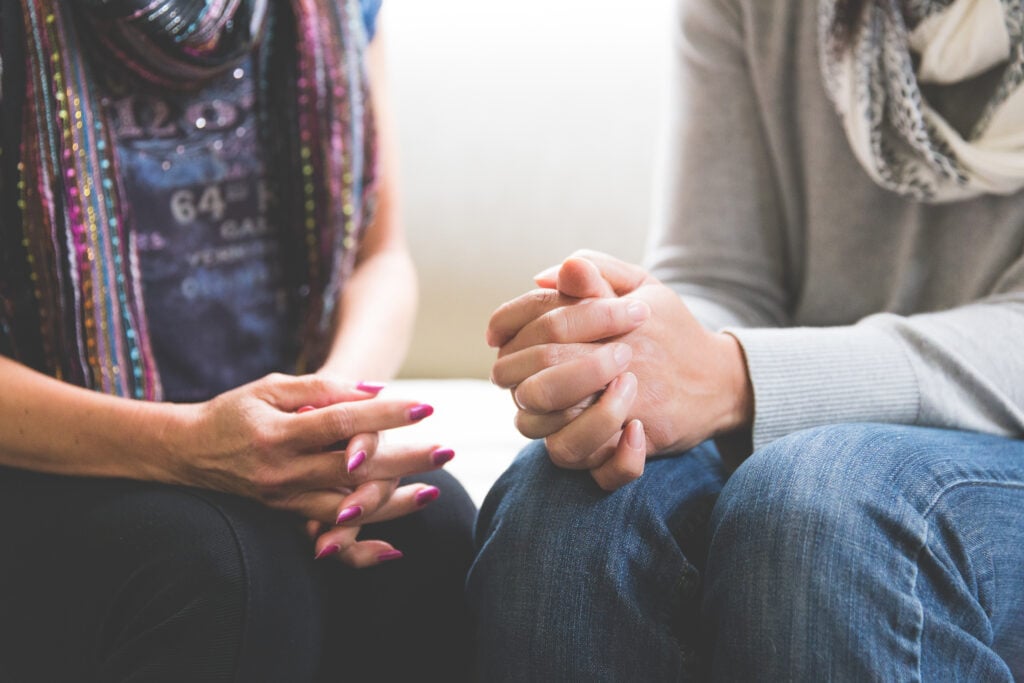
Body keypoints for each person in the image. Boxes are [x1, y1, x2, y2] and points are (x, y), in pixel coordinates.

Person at [469, 0, 1024, 679]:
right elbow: (720, 275)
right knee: (563, 507)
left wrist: (731, 376)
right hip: (805, 430)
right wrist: (627, 356)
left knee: (821, 508)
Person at [0, 1, 475, 681]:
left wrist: (327, 428)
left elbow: (381, 258)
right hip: (52, 459)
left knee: (426, 527)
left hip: (265, 441)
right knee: (225, 566)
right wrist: (185, 444)